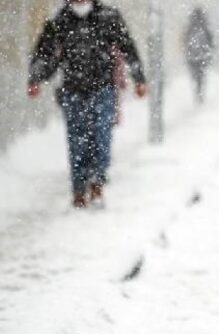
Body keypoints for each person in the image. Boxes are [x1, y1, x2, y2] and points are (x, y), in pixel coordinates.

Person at [28, 0, 146, 208]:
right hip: (73, 90)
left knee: (101, 137)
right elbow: (44, 54)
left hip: (103, 88)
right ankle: (79, 188)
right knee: (77, 140)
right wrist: (35, 78)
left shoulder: (108, 17)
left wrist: (139, 78)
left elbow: (128, 48)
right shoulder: (59, 20)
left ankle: (97, 181)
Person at [184, 8, 214, 104]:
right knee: (201, 75)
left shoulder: (190, 26)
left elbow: (185, 40)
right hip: (202, 56)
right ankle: (199, 91)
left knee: (196, 75)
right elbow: (211, 40)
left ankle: (197, 91)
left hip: (192, 56)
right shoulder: (204, 26)